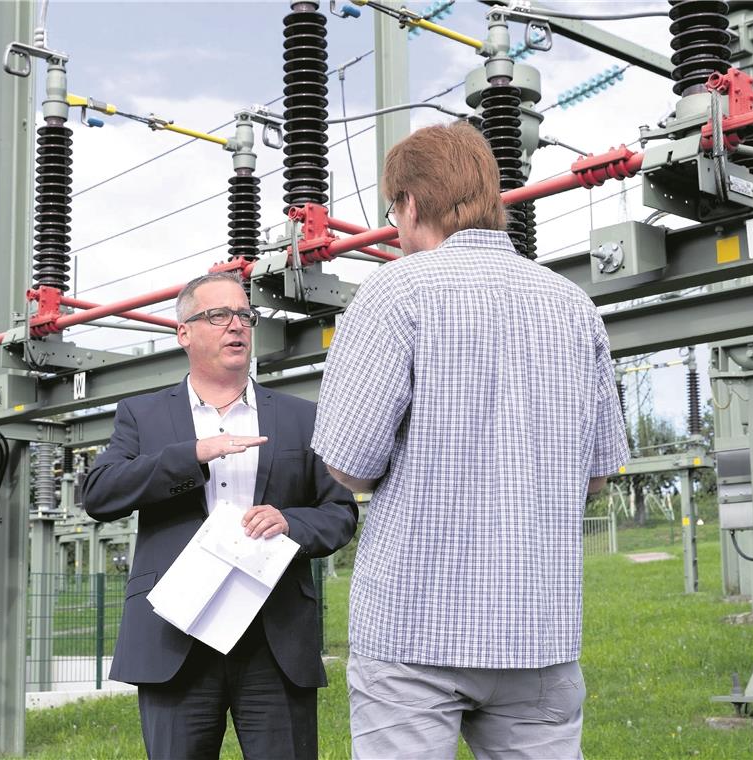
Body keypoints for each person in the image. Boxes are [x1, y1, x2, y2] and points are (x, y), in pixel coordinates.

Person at [311, 121, 629, 759]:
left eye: (392, 211)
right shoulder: (573, 305)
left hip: (414, 629)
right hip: (539, 631)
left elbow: (349, 466)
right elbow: (597, 473)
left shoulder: (392, 294)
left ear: (409, 205)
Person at [85, 271, 357, 760]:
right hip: (176, 636)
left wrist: (290, 523)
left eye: (243, 315)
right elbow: (100, 494)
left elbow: (339, 512)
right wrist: (192, 454)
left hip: (274, 640)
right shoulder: (141, 415)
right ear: (183, 332)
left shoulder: (301, 417)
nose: (236, 325)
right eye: (218, 315)